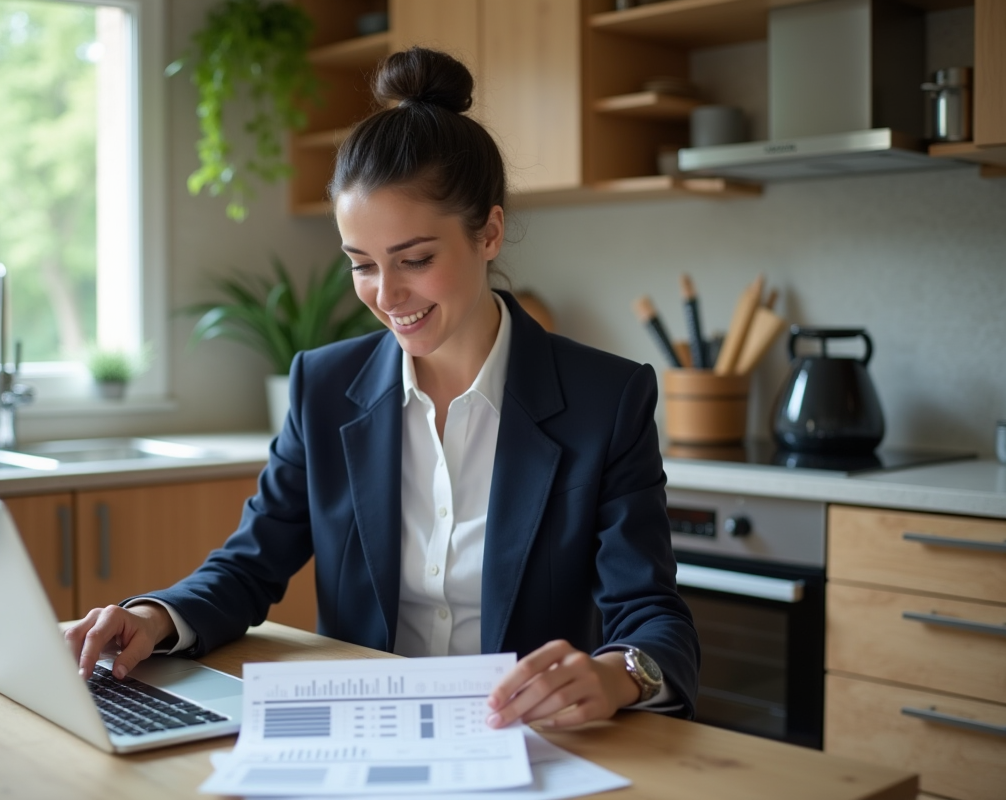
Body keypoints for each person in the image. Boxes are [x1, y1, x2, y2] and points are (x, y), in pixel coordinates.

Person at [66, 47, 699, 729]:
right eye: (361, 265)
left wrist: (618, 675)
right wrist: (151, 616)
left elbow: (652, 616)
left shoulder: (606, 399)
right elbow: (251, 565)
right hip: (365, 736)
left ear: (488, 232)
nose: (386, 295)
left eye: (415, 260)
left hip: (524, 743)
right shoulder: (324, 386)